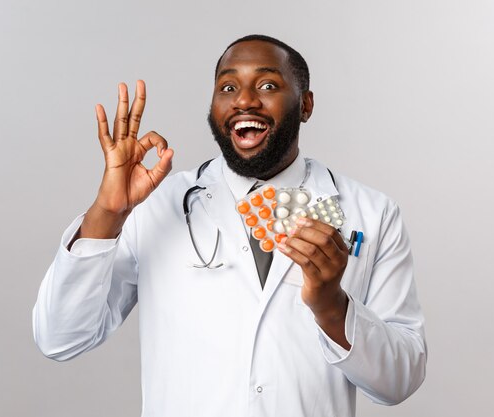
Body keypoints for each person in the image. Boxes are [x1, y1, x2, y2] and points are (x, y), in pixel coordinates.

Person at [33, 34, 426, 417]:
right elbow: (60, 338)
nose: (243, 100)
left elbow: (399, 381)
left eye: (268, 84)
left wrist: (331, 306)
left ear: (305, 105)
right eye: (227, 87)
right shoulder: (158, 206)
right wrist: (107, 212)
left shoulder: (372, 213)